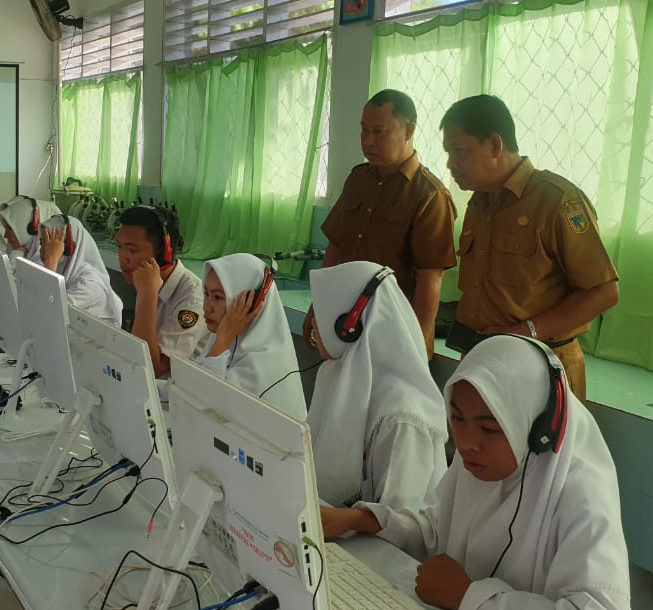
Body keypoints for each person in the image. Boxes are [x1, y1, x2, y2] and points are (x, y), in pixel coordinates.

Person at [320, 336, 635, 610]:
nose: (467, 443)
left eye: (489, 427)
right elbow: (439, 532)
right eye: (457, 419)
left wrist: (468, 597)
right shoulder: (478, 462)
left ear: (535, 429)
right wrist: (367, 519)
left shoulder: (580, 490)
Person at [440, 94, 618, 400]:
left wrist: (526, 332)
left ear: (495, 145)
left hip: (542, 365)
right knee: (473, 447)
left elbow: (604, 292)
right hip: (483, 360)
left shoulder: (558, 201)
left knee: (537, 449)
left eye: (459, 152)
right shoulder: (480, 203)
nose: (450, 164)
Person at [315, 90, 457, 356]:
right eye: (364, 131)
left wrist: (410, 345)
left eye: (379, 132)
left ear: (409, 131)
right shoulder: (357, 179)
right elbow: (336, 246)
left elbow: (430, 279)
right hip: (345, 322)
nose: (368, 141)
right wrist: (319, 308)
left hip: (393, 333)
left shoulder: (428, 195)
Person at [307, 261, 447, 511]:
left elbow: (396, 522)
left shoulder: (402, 417)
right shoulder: (336, 375)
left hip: (381, 547)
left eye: (320, 311)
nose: (314, 323)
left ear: (348, 325)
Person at [195, 253, 305, 419]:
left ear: (251, 304)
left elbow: (202, 403)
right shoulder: (222, 339)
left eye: (217, 297)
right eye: (206, 294)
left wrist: (223, 338)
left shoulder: (263, 368)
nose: (207, 307)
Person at [115, 204, 206, 376]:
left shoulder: (193, 300)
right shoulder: (147, 279)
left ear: (164, 252)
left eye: (132, 250)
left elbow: (152, 368)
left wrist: (147, 294)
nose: (123, 258)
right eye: (119, 247)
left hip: (180, 396)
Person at [27, 213, 123, 323]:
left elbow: (48, 313)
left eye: (49, 245)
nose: (41, 250)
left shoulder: (89, 285)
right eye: (41, 243)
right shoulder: (64, 272)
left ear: (68, 248)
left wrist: (51, 261)